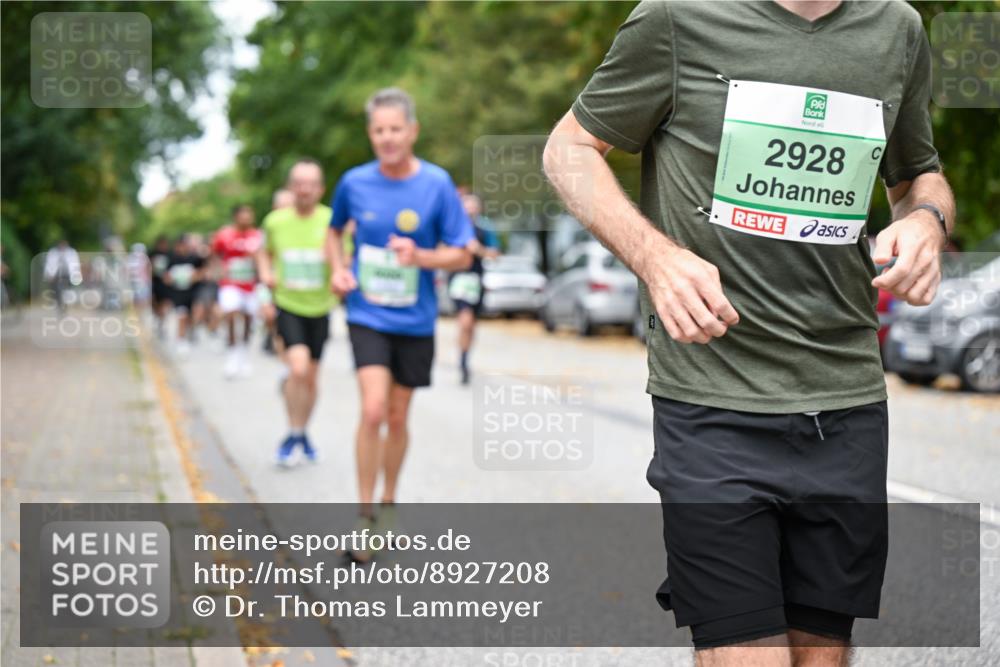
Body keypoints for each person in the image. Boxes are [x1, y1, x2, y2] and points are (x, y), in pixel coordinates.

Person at [543, 1, 954, 664]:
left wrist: (928, 220)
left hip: (844, 398)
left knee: (822, 653)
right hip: (712, 398)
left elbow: (917, 175)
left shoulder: (896, 29)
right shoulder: (678, 17)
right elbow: (569, 149)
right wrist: (655, 257)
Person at [327, 87, 473, 560]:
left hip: (415, 319)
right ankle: (365, 516)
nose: (387, 138)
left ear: (412, 131)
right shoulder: (353, 183)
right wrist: (338, 269)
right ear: (370, 134)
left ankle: (389, 499)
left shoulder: (436, 183)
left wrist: (422, 256)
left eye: (395, 129)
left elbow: (462, 252)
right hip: (367, 313)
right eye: (378, 130)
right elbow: (334, 232)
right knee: (372, 410)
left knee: (396, 415)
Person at [257, 160, 334, 466]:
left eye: (311, 183)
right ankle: (292, 430)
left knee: (312, 379)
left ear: (320, 189)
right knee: (298, 369)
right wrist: (266, 280)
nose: (304, 189)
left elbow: (346, 257)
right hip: (288, 304)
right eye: (299, 183)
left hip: (321, 307)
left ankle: (300, 432)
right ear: (291, 187)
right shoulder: (275, 221)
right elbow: (262, 252)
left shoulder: (332, 220)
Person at [448, 191, 500, 385]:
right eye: (466, 205)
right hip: (458, 279)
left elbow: (495, 254)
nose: (470, 208)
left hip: (476, 280)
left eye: (473, 205)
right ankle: (461, 363)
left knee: (471, 326)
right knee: (465, 321)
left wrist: (478, 249)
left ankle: (464, 358)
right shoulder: (453, 228)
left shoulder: (484, 228)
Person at [213, 204, 264, 379]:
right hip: (230, 284)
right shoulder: (224, 235)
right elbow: (215, 256)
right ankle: (233, 354)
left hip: (250, 285)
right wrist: (218, 272)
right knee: (231, 313)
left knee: (249, 320)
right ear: (236, 216)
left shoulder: (258, 236)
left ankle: (244, 353)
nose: (247, 218)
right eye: (243, 214)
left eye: (249, 214)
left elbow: (265, 258)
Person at [259, 188, 295, 356]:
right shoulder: (270, 225)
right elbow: (262, 254)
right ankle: (270, 335)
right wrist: (266, 274)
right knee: (270, 315)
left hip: (293, 287)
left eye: (290, 206)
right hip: (272, 282)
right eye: (283, 206)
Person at [163, 234, 206, 356]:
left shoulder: (195, 258)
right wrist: (171, 279)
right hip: (178, 293)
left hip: (193, 292)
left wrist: (195, 276)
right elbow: (166, 276)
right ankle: (181, 341)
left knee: (194, 315)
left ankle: (192, 332)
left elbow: (203, 272)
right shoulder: (171, 259)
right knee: (182, 316)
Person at [43, 239, 81, 314]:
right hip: (56, 275)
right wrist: (49, 274)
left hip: (68, 274)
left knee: (67, 290)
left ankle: (66, 303)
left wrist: (76, 274)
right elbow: (49, 264)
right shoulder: (53, 252)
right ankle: (60, 304)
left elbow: (75, 264)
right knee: (57, 291)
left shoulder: (71, 252)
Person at [148, 236, 172, 339]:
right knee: (154, 302)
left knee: (165, 304)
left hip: (165, 284)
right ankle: (157, 317)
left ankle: (162, 323)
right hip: (154, 282)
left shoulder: (170, 255)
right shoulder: (152, 254)